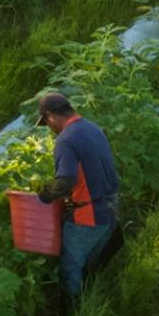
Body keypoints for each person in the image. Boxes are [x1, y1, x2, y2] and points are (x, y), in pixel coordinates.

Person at [34, 90, 121, 302]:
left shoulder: (66, 140)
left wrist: (44, 196)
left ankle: (72, 313)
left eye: (47, 123)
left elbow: (65, 180)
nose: (50, 129)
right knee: (91, 265)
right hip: (111, 210)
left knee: (70, 267)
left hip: (88, 216)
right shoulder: (92, 128)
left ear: (50, 116)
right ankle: (94, 301)